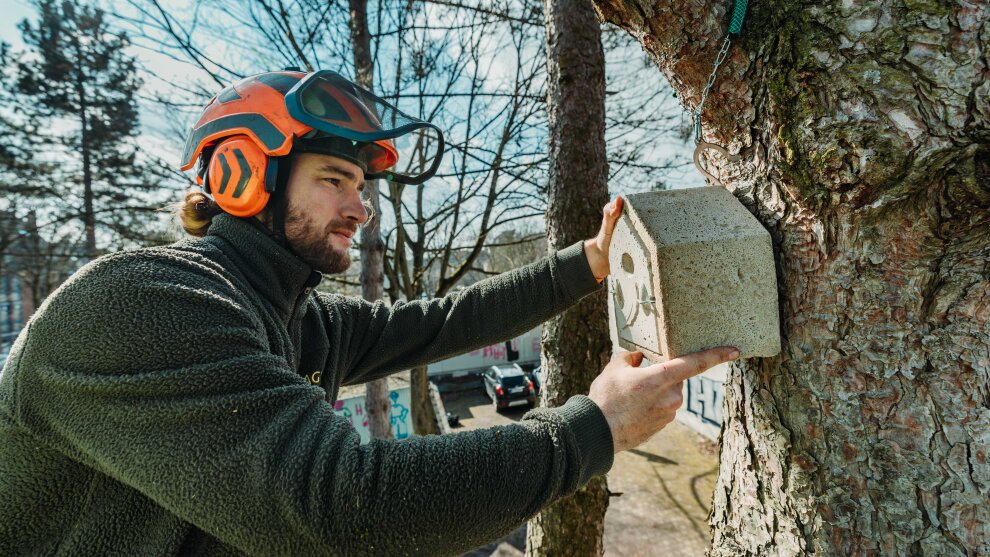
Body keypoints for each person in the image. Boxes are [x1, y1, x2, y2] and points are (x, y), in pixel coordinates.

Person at [0, 70, 738, 556]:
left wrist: (590, 262)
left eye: (361, 186)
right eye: (334, 179)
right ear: (242, 173)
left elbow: (442, 322)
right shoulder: (143, 304)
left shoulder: (294, 315)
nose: (361, 208)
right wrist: (594, 428)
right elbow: (341, 507)